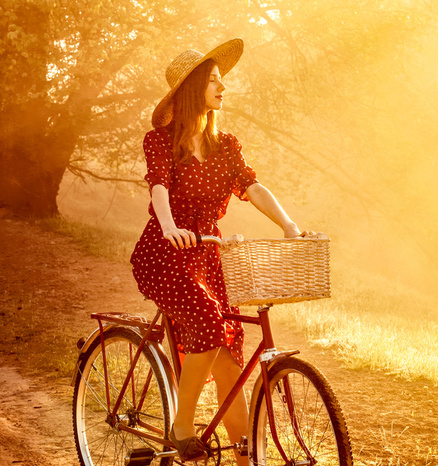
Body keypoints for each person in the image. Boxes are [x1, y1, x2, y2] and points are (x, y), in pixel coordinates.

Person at [130, 39, 312, 463]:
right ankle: (182, 424)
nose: (223, 88)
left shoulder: (225, 145)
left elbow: (252, 186)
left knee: (230, 353)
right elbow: (158, 185)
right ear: (193, 89)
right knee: (210, 323)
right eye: (214, 81)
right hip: (164, 251)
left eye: (222, 81)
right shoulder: (159, 141)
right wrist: (170, 225)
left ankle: (246, 458)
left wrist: (289, 226)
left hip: (206, 255)